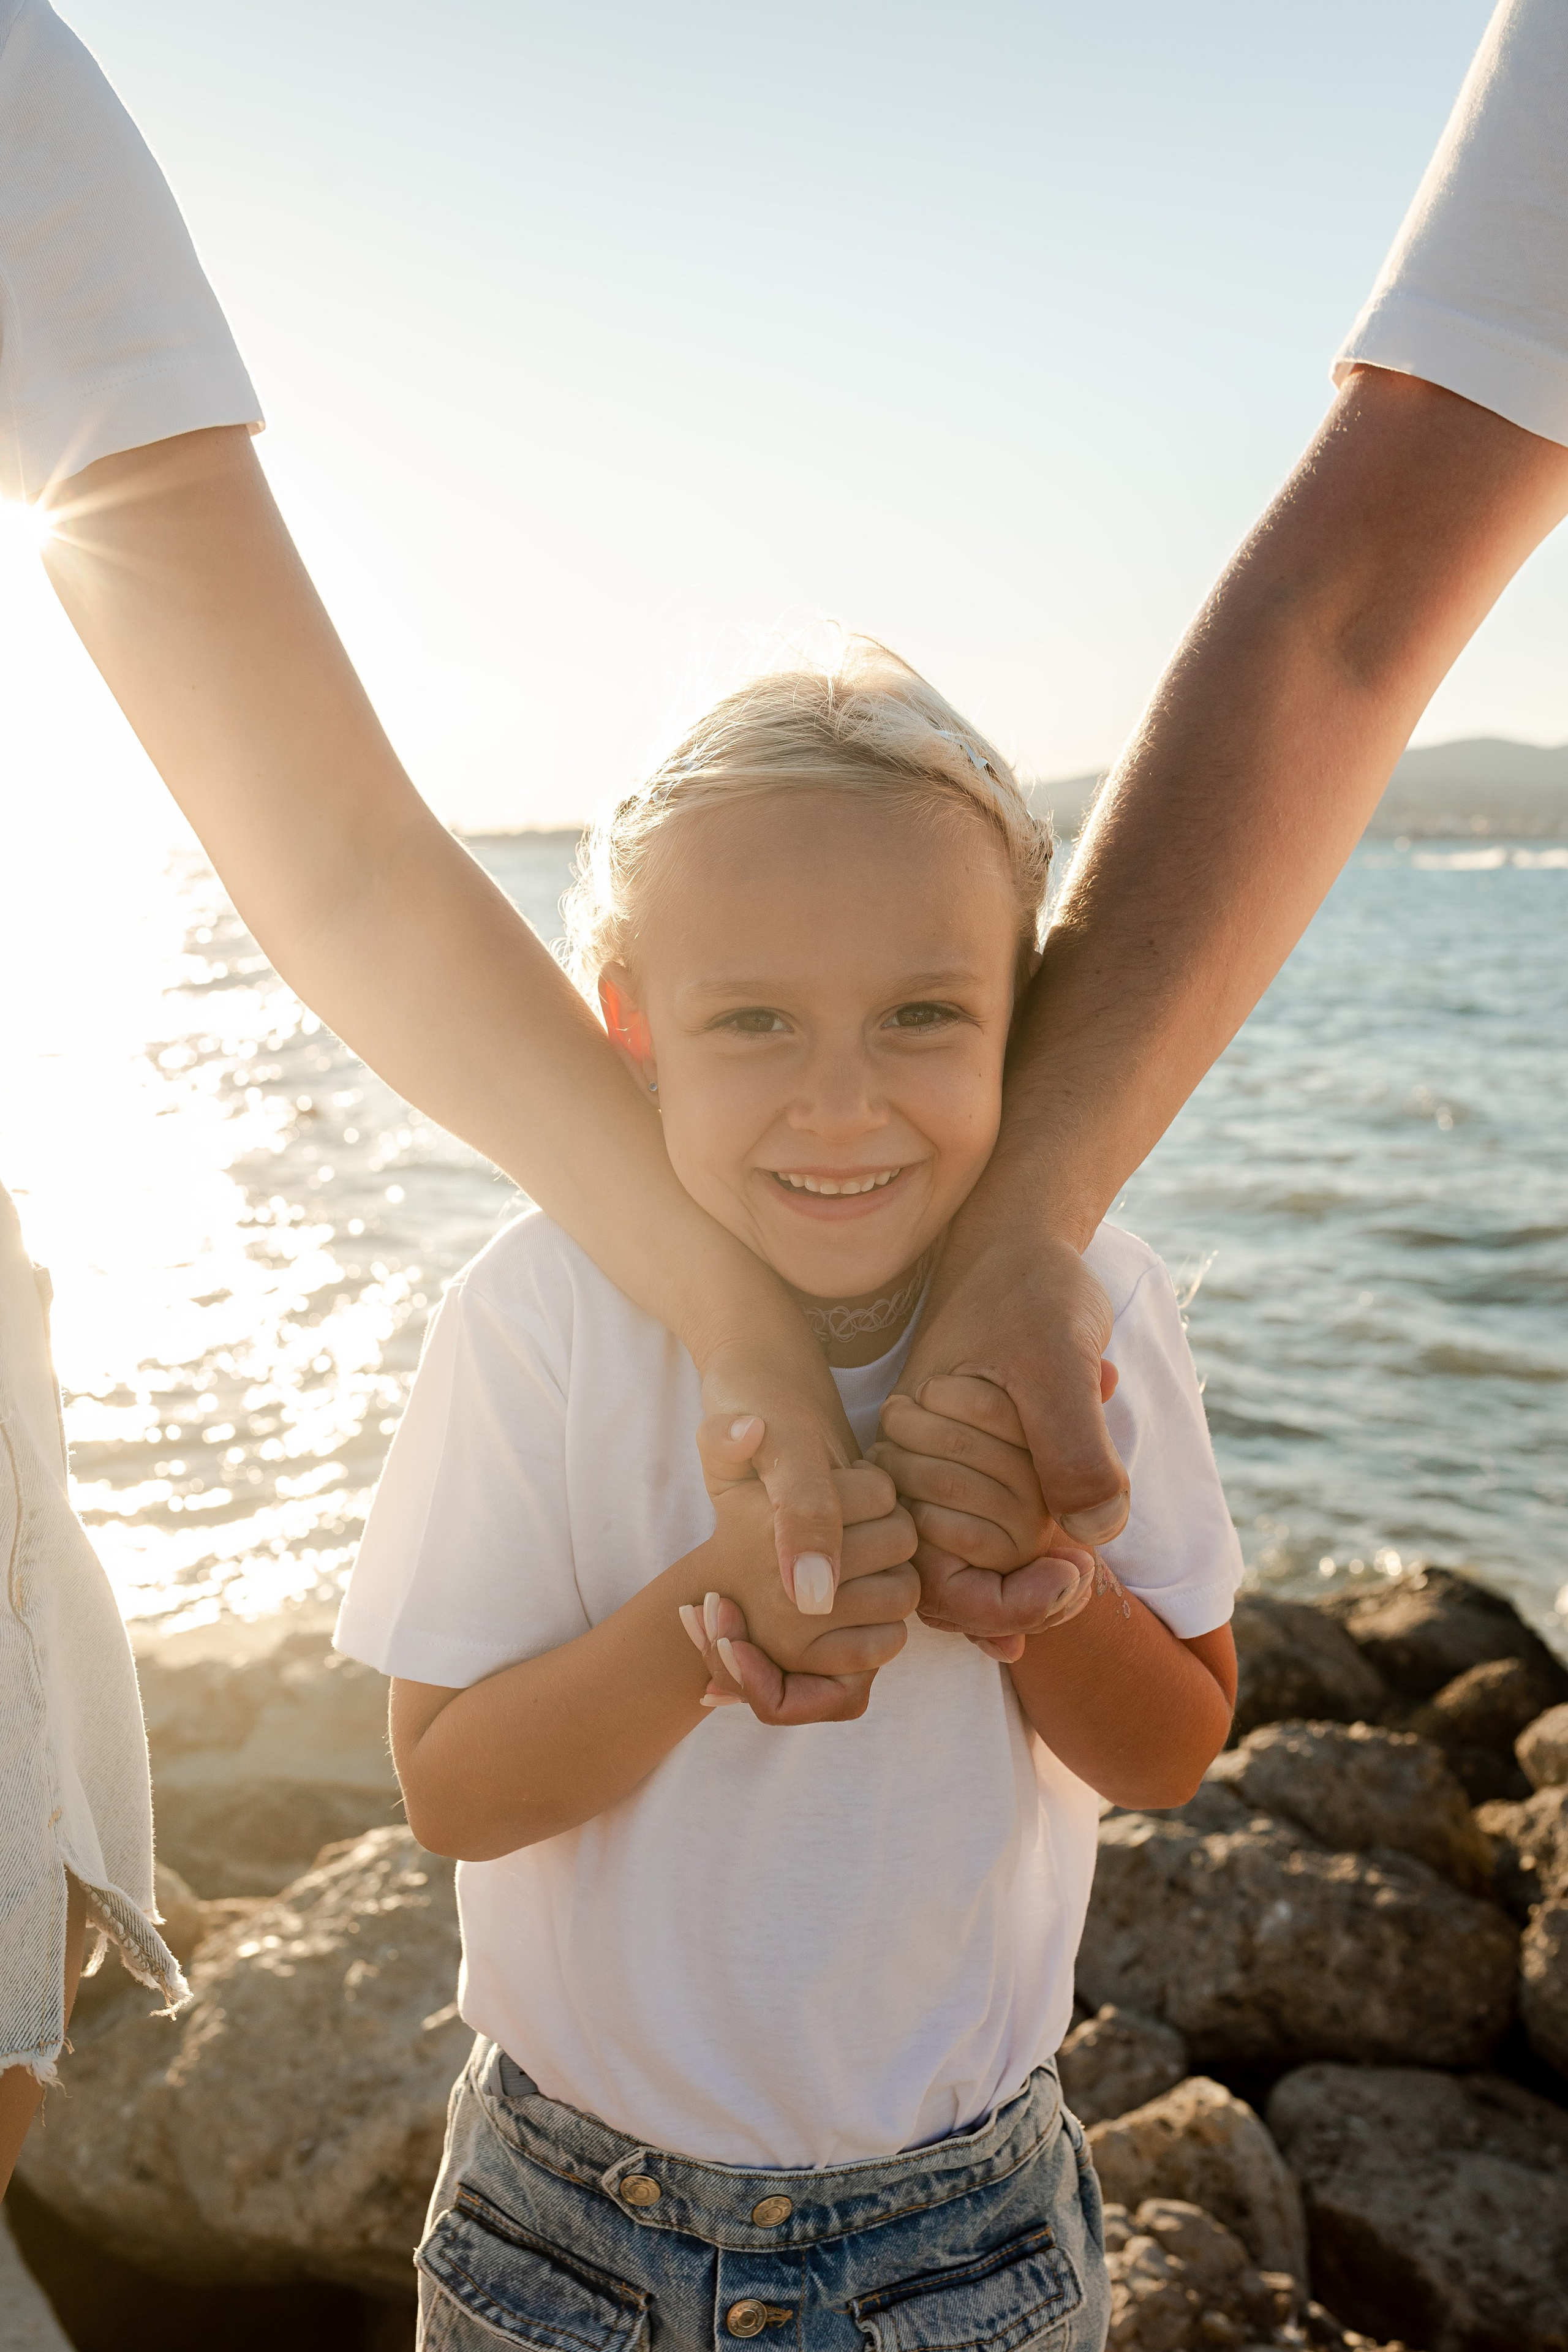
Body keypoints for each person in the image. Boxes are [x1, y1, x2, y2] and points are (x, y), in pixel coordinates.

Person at [333, 644, 1242, 2350]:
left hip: (965, 2245)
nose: (842, 1100)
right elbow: (448, 1787)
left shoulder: (1085, 1309)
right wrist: (712, 1623)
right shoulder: (539, 1316)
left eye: (922, 1013)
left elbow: (1176, 1746)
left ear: (1027, 1022)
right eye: (753, 1021)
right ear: (631, 1031)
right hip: (570, 2236)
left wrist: (1048, 1588)